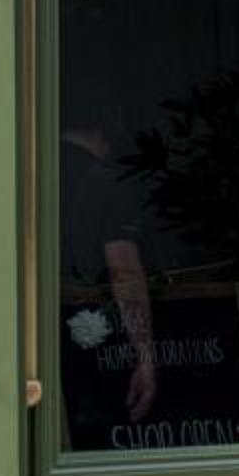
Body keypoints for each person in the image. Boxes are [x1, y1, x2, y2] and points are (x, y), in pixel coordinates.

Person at [60, 117, 156, 427]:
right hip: (86, 345)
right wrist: (145, 356)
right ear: (105, 135)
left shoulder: (26, 171)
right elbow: (123, 271)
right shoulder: (105, 183)